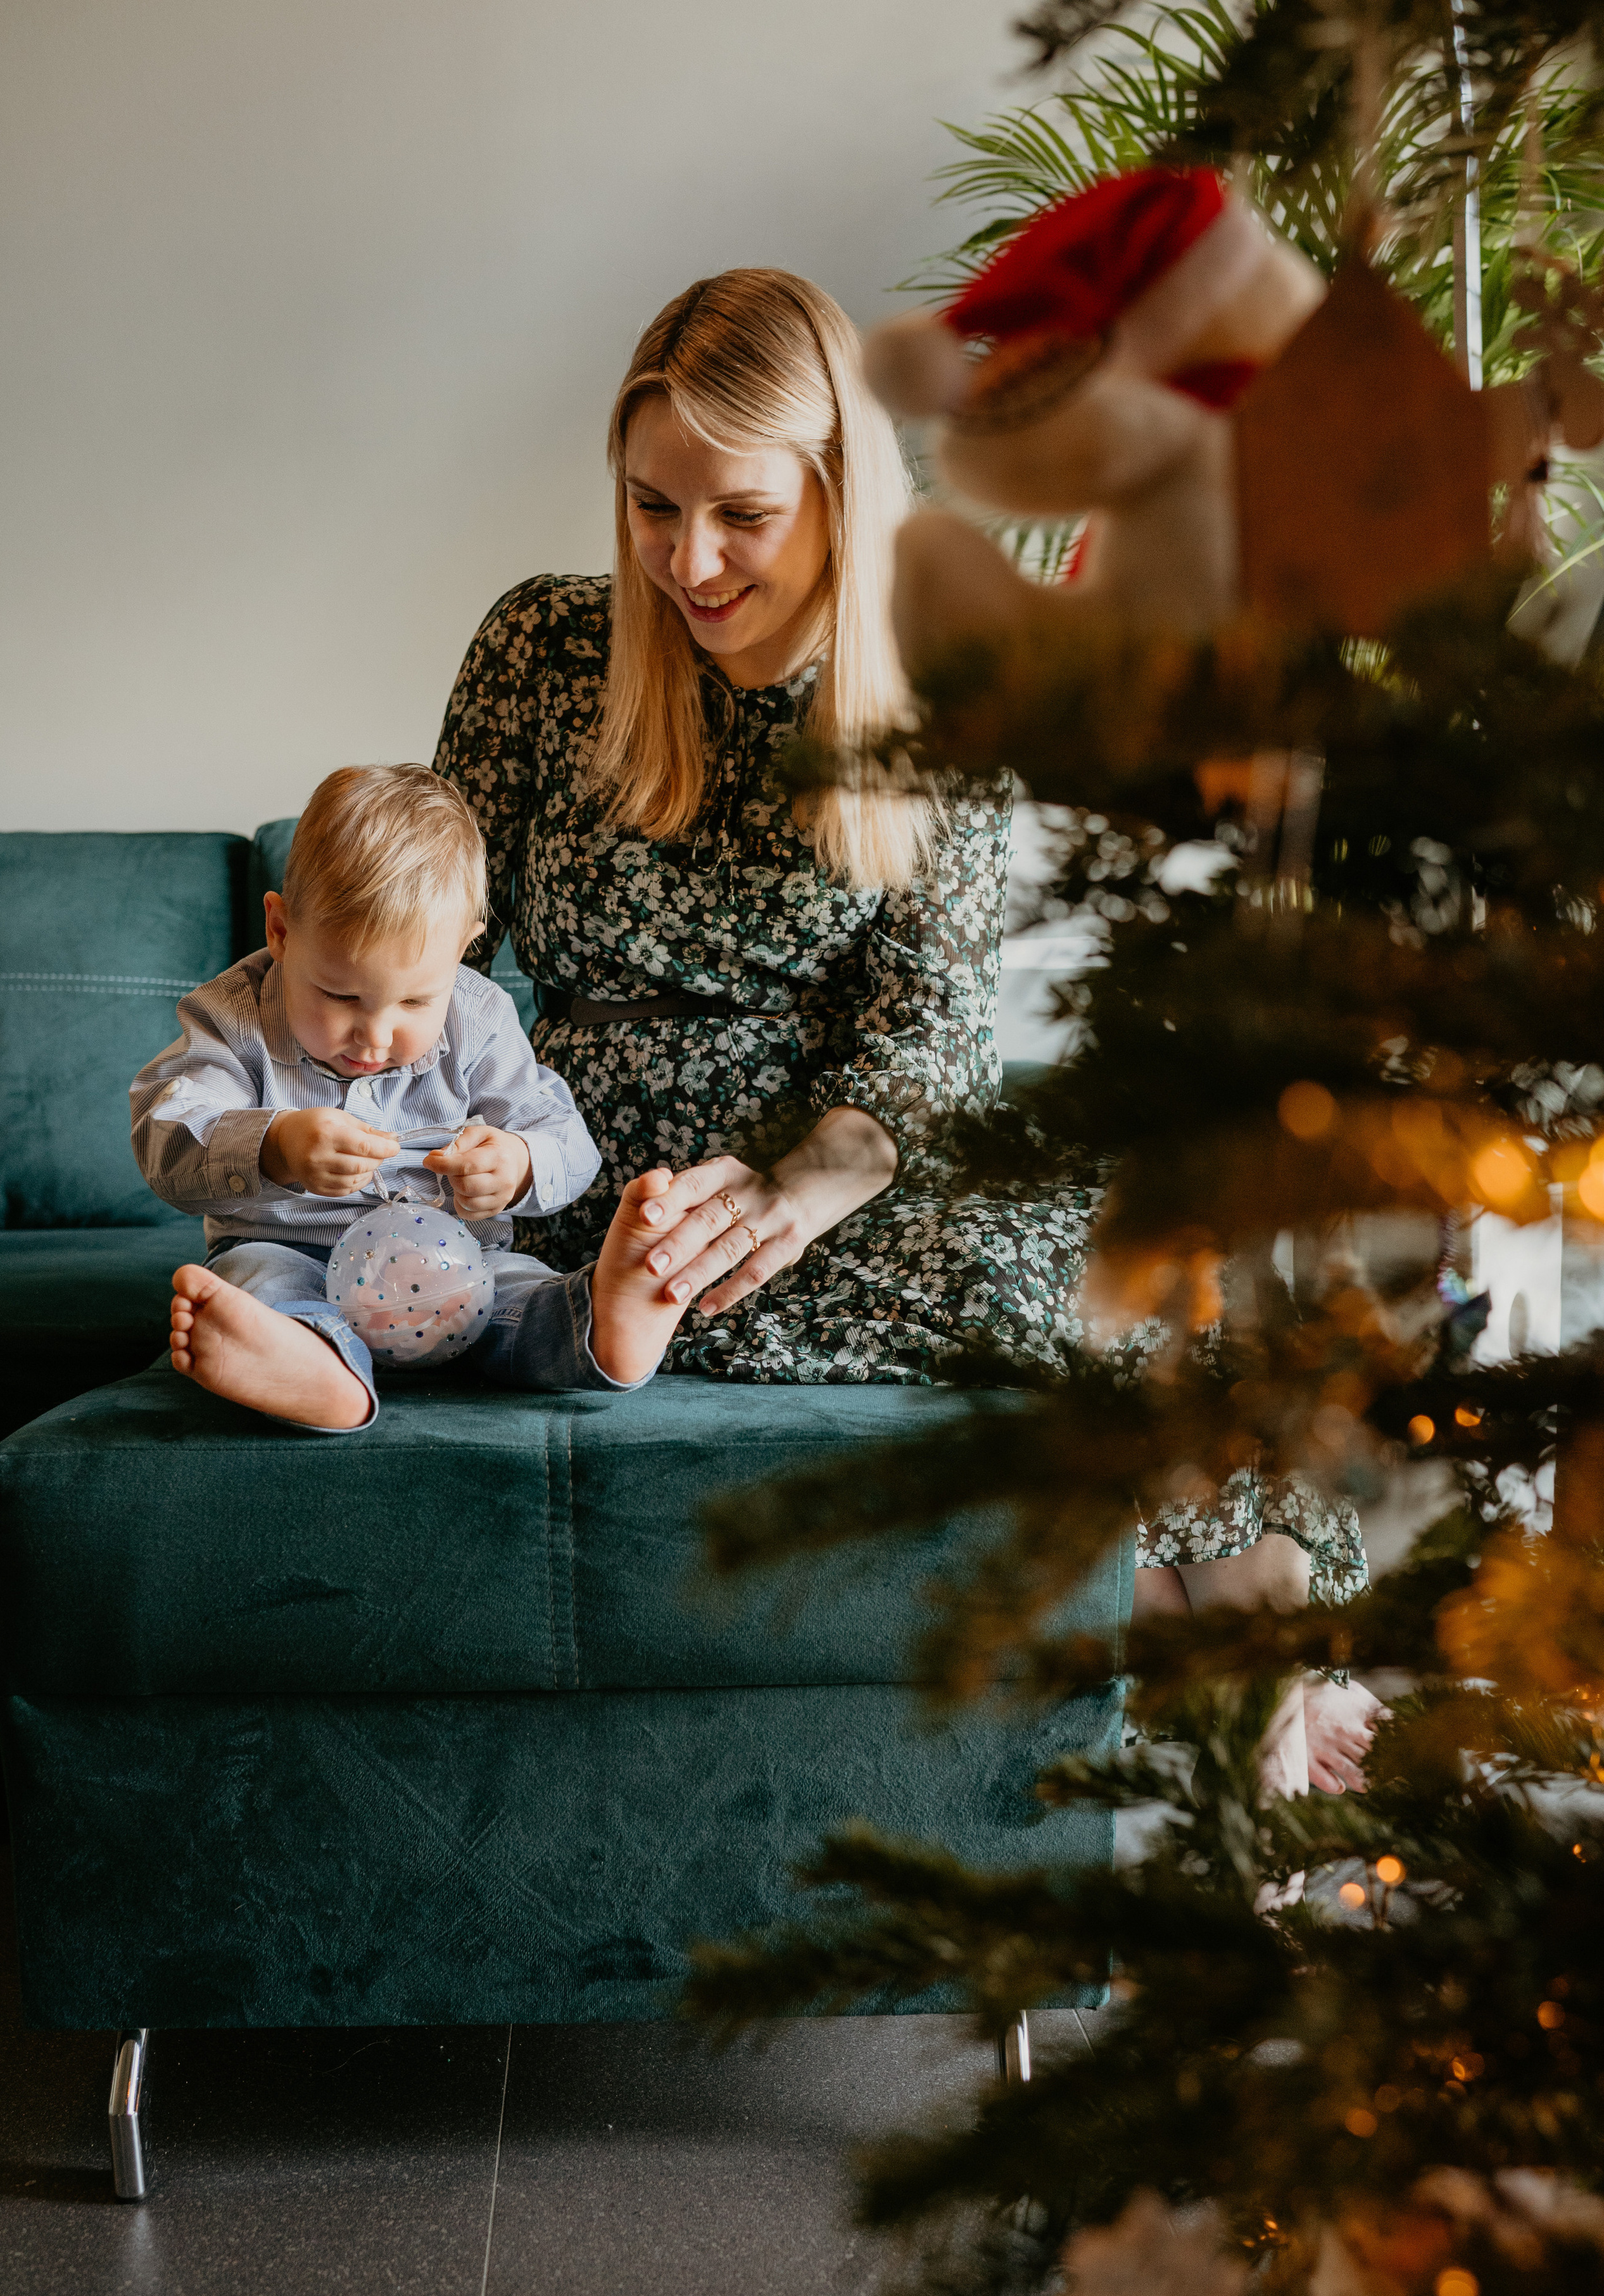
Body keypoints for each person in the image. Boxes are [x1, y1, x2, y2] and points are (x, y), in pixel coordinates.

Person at [433, 264, 1375, 1776]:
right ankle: (1234, 1663)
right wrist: (471, 1151)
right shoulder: (540, 652)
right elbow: (445, 964)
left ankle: (1257, 1635)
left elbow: (918, 1052)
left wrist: (793, 1190)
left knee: (1142, 1249)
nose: (688, 559)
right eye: (651, 504)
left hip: (830, 1181)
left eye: (740, 513)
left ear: (834, 488)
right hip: (591, 1192)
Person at [131, 763, 697, 1430]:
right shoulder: (231, 1018)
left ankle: (597, 1327)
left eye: (414, 1000)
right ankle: (315, 1364)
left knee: (522, 1291)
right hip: (299, 1259)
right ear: (280, 931)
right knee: (257, 1280)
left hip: (459, 1268)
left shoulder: (478, 1016)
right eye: (340, 995)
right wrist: (276, 1146)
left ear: (462, 951)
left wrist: (517, 1165)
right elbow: (165, 1134)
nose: (374, 1033)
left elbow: (565, 1137)